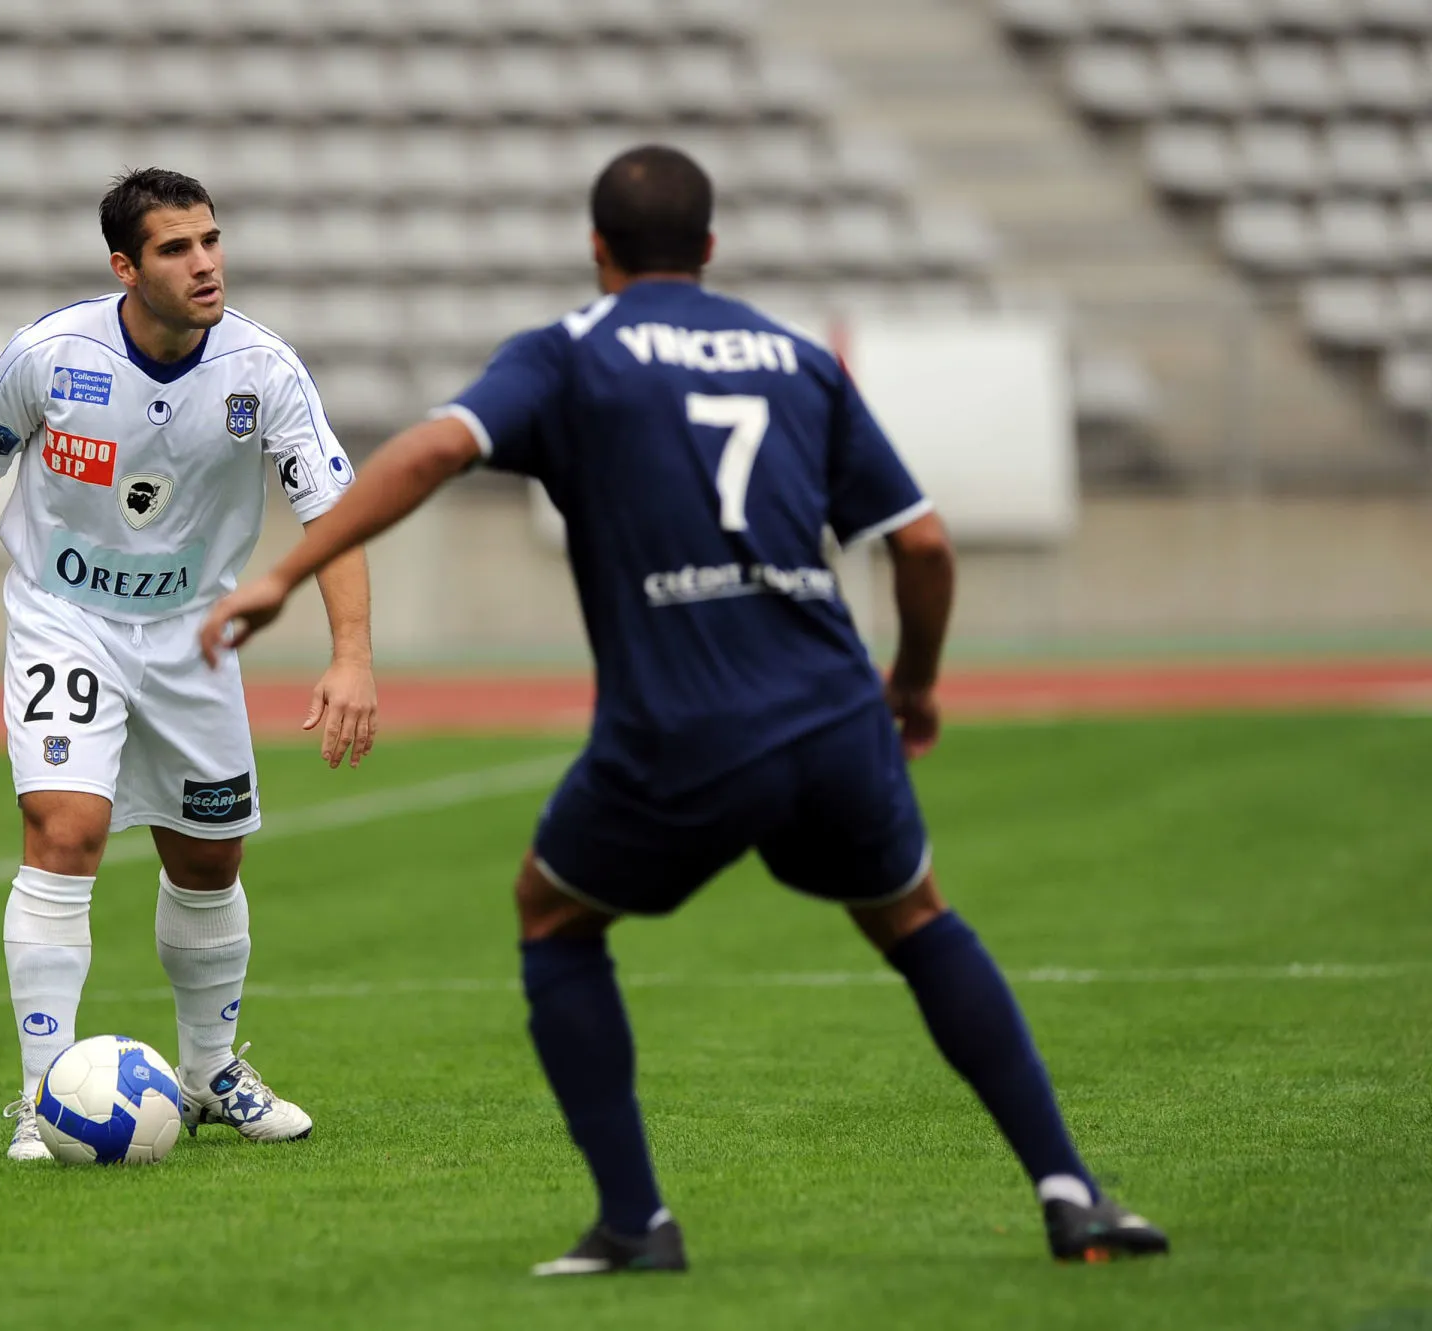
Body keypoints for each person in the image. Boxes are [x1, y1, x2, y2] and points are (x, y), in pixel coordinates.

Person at [197, 146, 1167, 1272]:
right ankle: (1069, 1190)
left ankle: (633, 1221)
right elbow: (923, 542)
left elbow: (430, 450)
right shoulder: (796, 358)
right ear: (707, 250)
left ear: (597, 249)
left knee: (553, 914)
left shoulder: (570, 354)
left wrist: (281, 573)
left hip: (686, 724)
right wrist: (912, 682)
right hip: (833, 709)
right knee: (916, 919)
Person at [0, 167, 378, 1159]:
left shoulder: (262, 370)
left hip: (194, 634)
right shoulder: (50, 355)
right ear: (126, 266)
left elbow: (334, 515)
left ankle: (210, 1070)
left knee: (207, 857)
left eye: (210, 239)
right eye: (176, 247)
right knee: (65, 825)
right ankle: (46, 1096)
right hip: (63, 618)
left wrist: (350, 653)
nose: (204, 261)